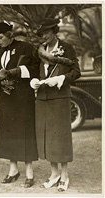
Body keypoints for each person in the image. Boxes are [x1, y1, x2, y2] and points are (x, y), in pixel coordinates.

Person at [30, 18, 81, 191]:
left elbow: (76, 72)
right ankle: (54, 174)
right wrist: (35, 80)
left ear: (54, 31)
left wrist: (61, 79)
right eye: (41, 33)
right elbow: (34, 71)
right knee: (47, 137)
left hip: (60, 98)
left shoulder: (66, 48)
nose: (43, 36)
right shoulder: (40, 51)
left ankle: (64, 175)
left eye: (46, 32)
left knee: (60, 137)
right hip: (43, 99)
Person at [0, 22, 39, 187]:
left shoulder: (25, 47)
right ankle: (13, 170)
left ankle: (29, 173)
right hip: (6, 97)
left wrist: (18, 72)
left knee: (24, 132)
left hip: (23, 97)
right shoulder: (0, 53)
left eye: (0, 37)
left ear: (9, 35)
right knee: (8, 132)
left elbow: (36, 69)